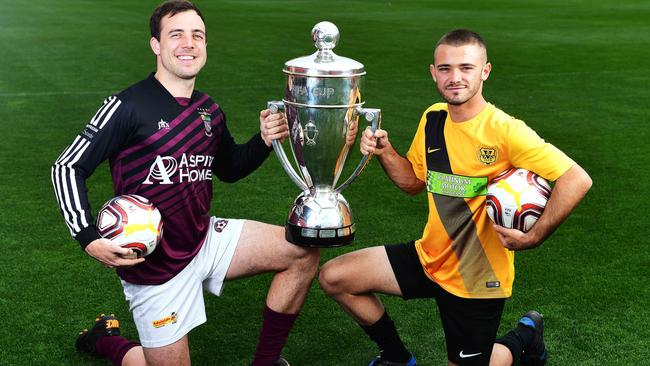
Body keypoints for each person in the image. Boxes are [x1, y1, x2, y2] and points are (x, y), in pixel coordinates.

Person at [51, 1, 319, 365]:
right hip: (154, 268)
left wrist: (264, 140)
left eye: (197, 35)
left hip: (202, 238)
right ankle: (106, 342)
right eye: (175, 34)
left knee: (301, 251)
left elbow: (230, 168)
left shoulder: (208, 110)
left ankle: (266, 361)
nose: (188, 43)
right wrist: (87, 238)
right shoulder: (127, 105)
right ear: (156, 46)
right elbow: (67, 167)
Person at [318, 29, 592, 366]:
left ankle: (523, 339)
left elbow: (576, 178)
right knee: (335, 277)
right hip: (429, 257)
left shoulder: (505, 130)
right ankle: (396, 357)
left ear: (485, 71)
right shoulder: (433, 118)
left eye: (466, 67)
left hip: (478, 279)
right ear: (433, 73)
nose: (455, 77)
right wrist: (385, 151)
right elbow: (414, 182)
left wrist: (533, 236)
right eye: (445, 69)